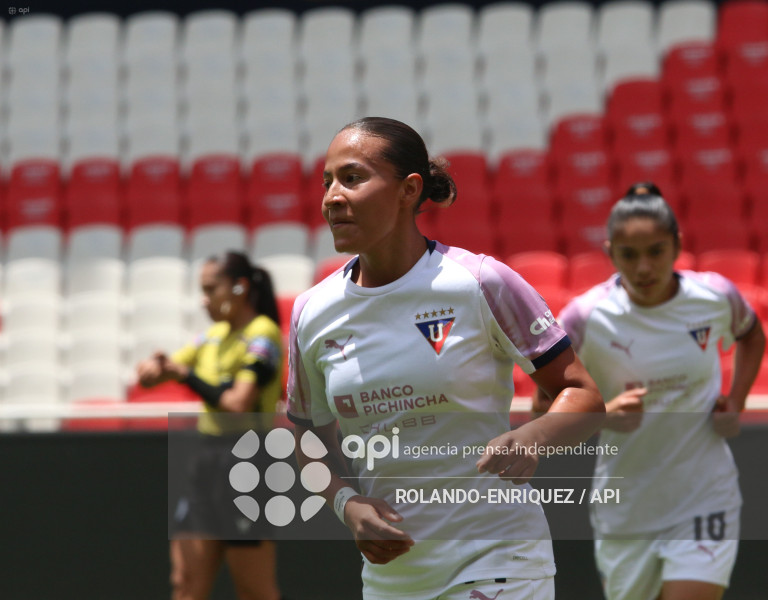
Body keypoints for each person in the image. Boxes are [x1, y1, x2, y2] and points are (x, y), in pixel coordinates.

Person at [286, 116, 605, 600]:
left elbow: (581, 393)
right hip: (394, 580)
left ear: (409, 190)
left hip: (498, 559)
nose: (332, 196)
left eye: (352, 178)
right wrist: (346, 505)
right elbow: (299, 433)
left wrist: (534, 436)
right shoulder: (312, 312)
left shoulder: (479, 283)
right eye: (327, 182)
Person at [534, 186, 766, 600]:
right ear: (610, 252)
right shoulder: (585, 316)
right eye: (628, 254)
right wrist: (603, 417)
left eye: (656, 251)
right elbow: (543, 411)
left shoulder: (715, 295)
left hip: (704, 494)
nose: (643, 267)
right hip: (626, 507)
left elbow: (751, 335)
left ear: (677, 245)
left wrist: (737, 400)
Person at [136, 251, 284, 600]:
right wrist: (154, 368)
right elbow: (155, 376)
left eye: (211, 289)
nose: (204, 300)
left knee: (254, 590)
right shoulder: (211, 336)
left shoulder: (262, 335)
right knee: (185, 586)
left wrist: (183, 374)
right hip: (206, 460)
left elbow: (237, 404)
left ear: (239, 287)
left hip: (249, 464)